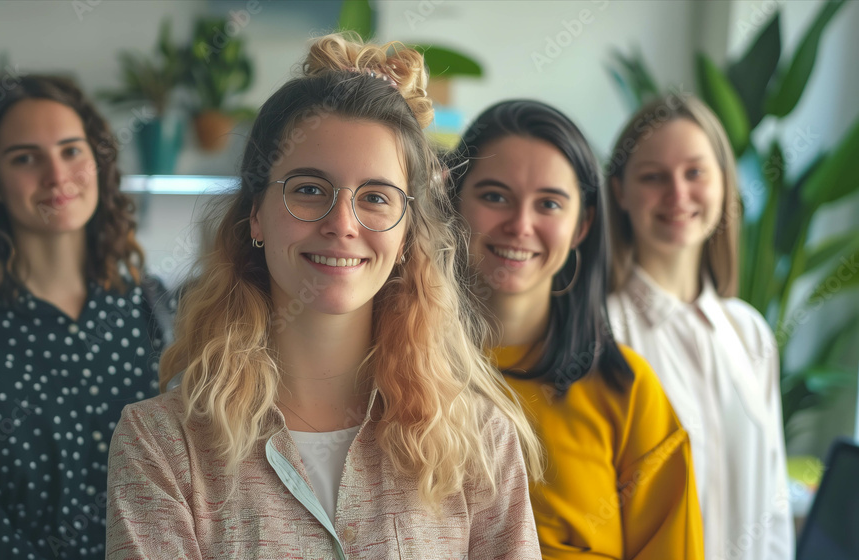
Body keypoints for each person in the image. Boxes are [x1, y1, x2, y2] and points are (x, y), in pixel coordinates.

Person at [105, 33, 543, 559]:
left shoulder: (478, 441)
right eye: (309, 189)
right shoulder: (161, 445)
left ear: (407, 235)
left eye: (376, 198)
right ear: (256, 215)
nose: (342, 224)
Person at [0, 75, 171, 558]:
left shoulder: (154, 310)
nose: (56, 174)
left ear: (97, 163)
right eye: (25, 158)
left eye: (71, 151)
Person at [449, 99, 704, 559]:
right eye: (494, 196)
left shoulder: (629, 393)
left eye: (548, 203)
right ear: (453, 202)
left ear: (583, 224)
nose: (520, 225)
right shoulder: (392, 371)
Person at [605, 94, 794, 560]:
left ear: (725, 185)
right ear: (619, 192)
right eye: (653, 176)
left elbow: (774, 506)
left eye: (695, 172)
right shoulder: (601, 330)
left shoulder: (750, 333)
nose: (678, 194)